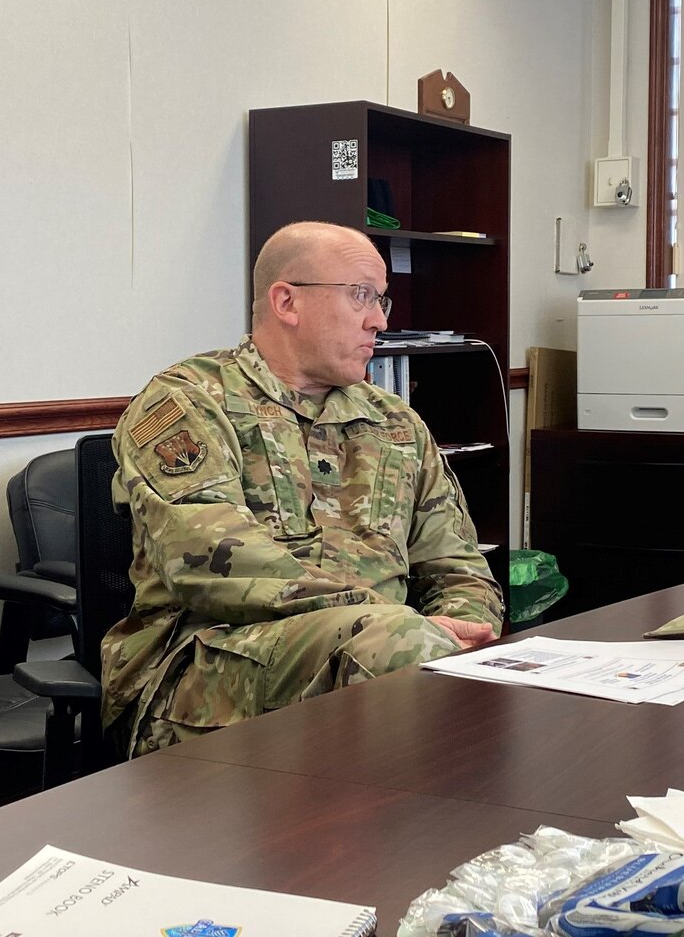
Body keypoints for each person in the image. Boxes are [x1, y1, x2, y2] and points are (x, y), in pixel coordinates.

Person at [102, 221, 505, 756]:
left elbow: (457, 567)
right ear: (287, 302)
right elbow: (213, 563)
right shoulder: (188, 404)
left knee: (482, 675)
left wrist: (466, 628)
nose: (379, 319)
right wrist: (398, 623)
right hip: (207, 666)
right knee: (398, 653)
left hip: (383, 657)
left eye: (381, 299)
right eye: (361, 295)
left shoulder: (397, 425)